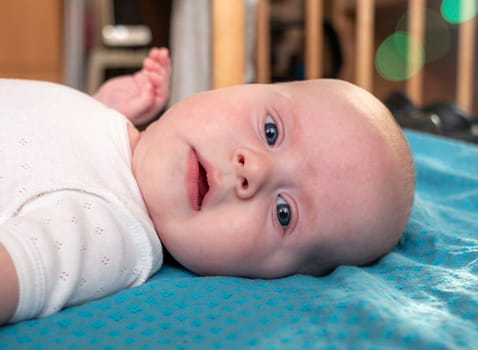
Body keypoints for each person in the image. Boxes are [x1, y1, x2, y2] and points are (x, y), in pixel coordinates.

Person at [0, 47, 414, 325]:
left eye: (284, 213)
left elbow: (23, 263)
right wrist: (100, 107)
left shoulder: (111, 235)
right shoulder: (116, 141)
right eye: (270, 131)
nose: (255, 170)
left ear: (269, 276)